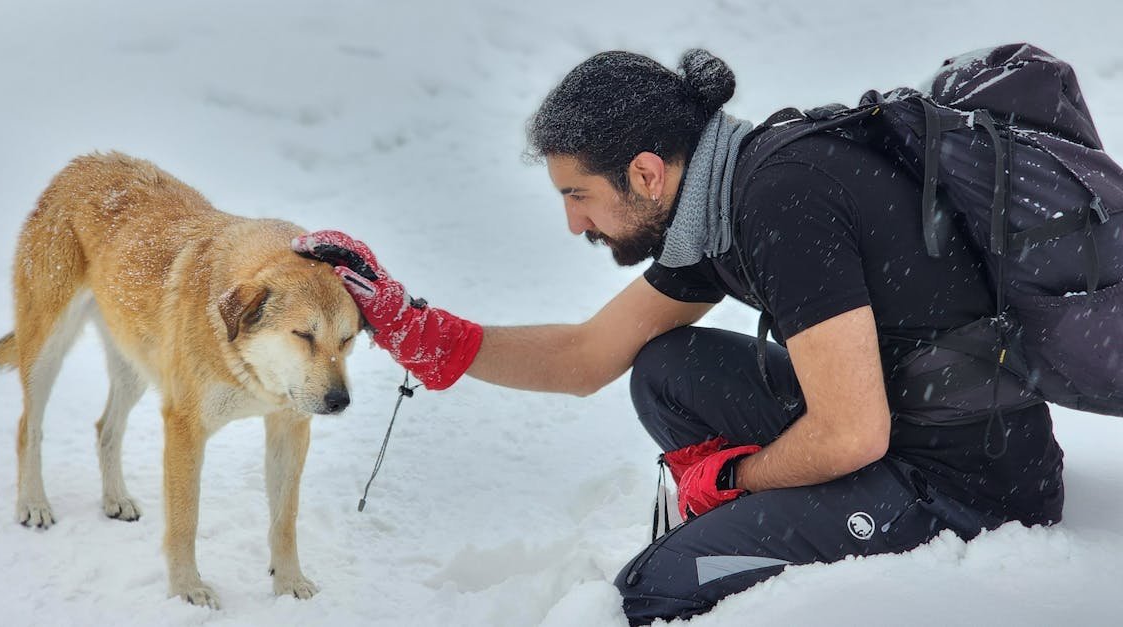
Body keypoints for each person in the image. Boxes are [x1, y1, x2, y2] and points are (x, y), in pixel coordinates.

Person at [292, 49, 1064, 625]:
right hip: (898, 419)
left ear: (647, 173)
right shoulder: (721, 199)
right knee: (663, 367)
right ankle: (766, 523)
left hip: (967, 484)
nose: (573, 222)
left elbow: (853, 431)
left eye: (578, 195)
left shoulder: (781, 204)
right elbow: (587, 355)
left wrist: (735, 479)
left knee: (651, 590)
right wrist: (414, 326)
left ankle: (763, 545)